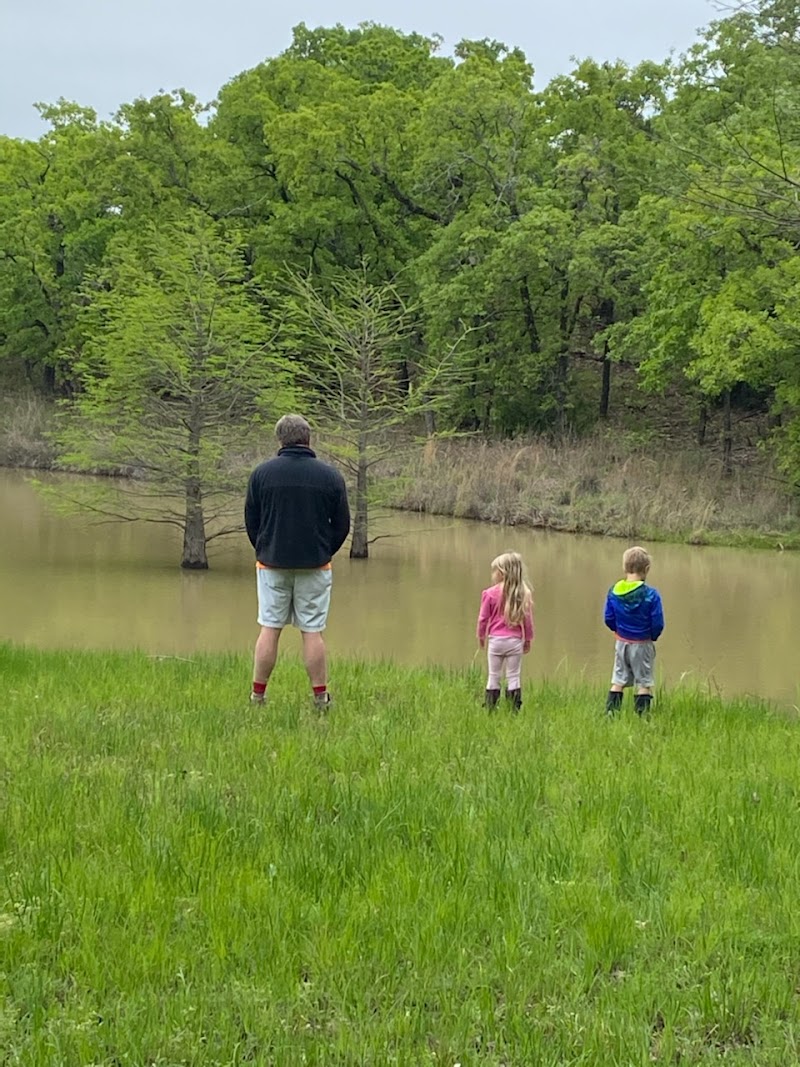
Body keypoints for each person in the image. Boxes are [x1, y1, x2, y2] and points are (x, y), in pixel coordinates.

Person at [244, 414, 350, 709]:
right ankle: (320, 698)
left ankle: (258, 696)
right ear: (308, 438)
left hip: (271, 564)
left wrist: (265, 548)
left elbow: (251, 521)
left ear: (280, 439)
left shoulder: (261, 475)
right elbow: (342, 525)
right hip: (315, 565)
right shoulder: (330, 476)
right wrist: (324, 550)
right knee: (312, 630)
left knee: (269, 627)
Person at [603, 545, 664, 716]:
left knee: (618, 679)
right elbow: (657, 622)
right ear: (647, 569)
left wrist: (618, 630)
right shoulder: (651, 595)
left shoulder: (614, 592)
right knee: (643, 682)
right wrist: (653, 635)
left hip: (621, 642)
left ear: (624, 568)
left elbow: (608, 618)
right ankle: (641, 717)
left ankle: (611, 714)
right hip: (643, 643)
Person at [476, 551, 534, 711]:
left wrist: (481, 636)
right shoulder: (523, 594)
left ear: (501, 573)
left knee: (494, 675)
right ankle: (513, 709)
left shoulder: (489, 593)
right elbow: (528, 621)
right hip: (514, 642)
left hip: (495, 641)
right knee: (513, 676)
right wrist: (527, 639)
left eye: (494, 571)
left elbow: (483, 618)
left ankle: (490, 708)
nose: (493, 574)